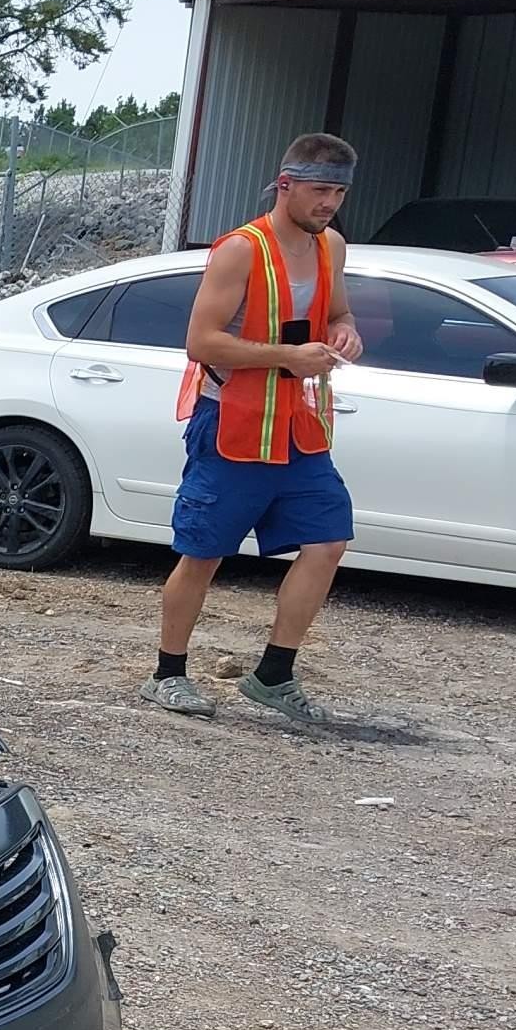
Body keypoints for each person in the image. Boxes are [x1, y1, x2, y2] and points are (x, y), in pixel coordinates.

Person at [139, 133, 365, 723]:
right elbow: (200, 342)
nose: (329, 204)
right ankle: (167, 674)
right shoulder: (241, 249)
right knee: (204, 552)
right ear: (284, 184)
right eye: (320, 191)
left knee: (328, 540)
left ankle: (274, 674)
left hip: (300, 424)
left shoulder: (330, 247)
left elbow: (338, 312)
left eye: (338, 192)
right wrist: (287, 357)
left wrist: (346, 332)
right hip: (232, 423)